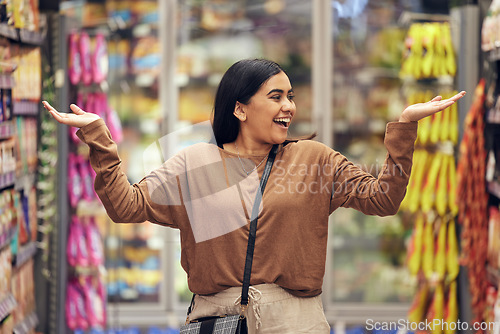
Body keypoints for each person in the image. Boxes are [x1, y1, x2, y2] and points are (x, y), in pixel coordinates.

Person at [43, 58, 466, 334]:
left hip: (296, 321)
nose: (289, 107)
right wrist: (99, 139)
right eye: (276, 96)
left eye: (291, 97)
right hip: (217, 319)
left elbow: (383, 199)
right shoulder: (195, 164)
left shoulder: (313, 160)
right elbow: (126, 206)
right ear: (240, 108)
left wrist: (405, 128)